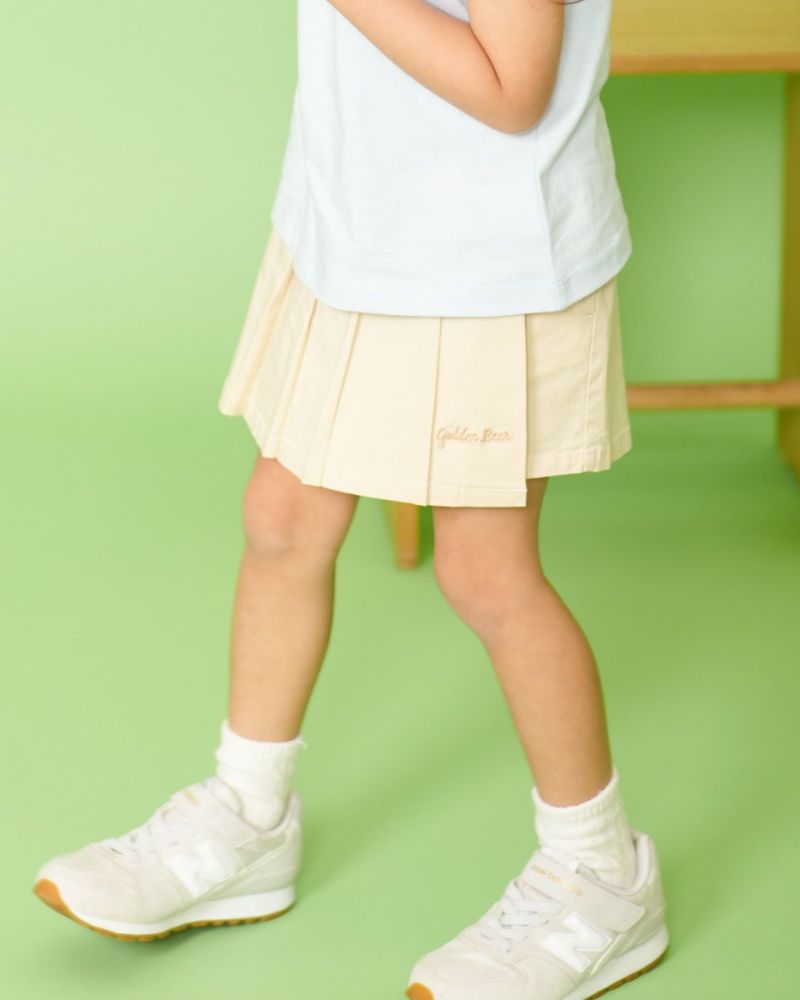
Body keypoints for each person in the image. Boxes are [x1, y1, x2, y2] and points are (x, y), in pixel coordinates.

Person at [33, 1, 669, 997]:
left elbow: (513, 89)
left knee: (486, 574)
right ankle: (248, 813)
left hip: (485, 264)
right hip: (351, 231)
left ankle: (601, 873)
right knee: (282, 523)